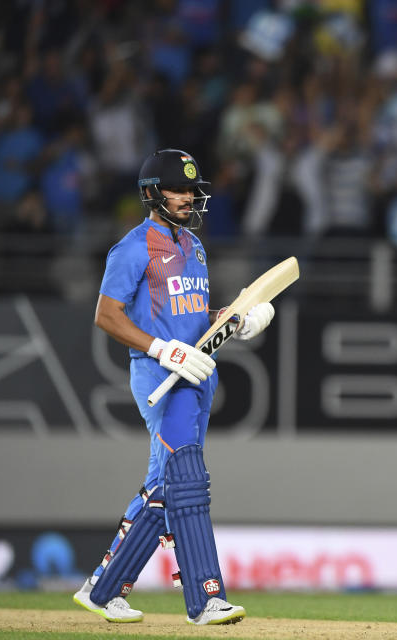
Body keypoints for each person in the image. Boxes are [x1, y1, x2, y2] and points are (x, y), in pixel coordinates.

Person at [72, 149, 275, 625]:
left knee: (164, 485)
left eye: (192, 190)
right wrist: (162, 350)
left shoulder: (194, 247)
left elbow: (192, 317)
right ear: (151, 193)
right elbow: (107, 315)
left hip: (199, 372)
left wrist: (232, 320)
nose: (188, 198)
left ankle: (103, 589)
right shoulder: (133, 247)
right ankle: (205, 598)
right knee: (187, 477)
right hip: (162, 376)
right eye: (178, 190)